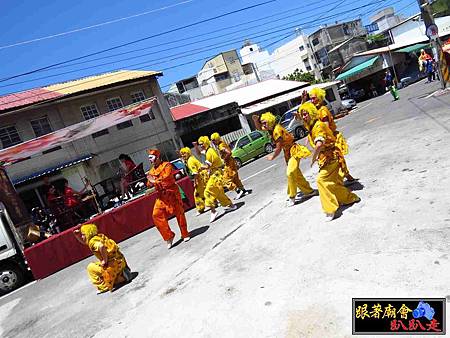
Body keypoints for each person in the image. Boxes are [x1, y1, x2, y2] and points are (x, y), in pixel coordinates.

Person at [299, 102, 360, 221]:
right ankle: (350, 198)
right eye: (303, 115)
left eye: (306, 114)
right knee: (332, 183)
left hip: (331, 158)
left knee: (321, 180)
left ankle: (330, 209)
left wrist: (314, 157)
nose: (304, 117)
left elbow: (319, 143)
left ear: (311, 113)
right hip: (325, 159)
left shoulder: (318, 126)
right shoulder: (311, 125)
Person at [252, 112, 316, 207]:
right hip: (287, 153)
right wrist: (255, 120)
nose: (263, 125)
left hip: (294, 151)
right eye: (263, 123)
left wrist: (272, 157)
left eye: (265, 123)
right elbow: (259, 128)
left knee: (290, 173)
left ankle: (292, 196)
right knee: (296, 174)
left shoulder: (277, 130)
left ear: (270, 122)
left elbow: (278, 148)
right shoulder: (271, 129)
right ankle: (309, 191)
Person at [306, 87, 357, 183]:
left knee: (337, 158)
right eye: (311, 98)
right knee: (331, 161)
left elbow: (326, 127)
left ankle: (344, 177)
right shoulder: (315, 110)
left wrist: (322, 140)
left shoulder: (322, 110)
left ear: (319, 98)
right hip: (323, 139)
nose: (312, 100)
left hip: (329, 138)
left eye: (314, 98)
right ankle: (343, 178)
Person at [147, 149, 190, 248]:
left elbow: (166, 178)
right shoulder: (151, 171)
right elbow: (149, 183)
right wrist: (150, 182)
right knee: (156, 214)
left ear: (157, 157)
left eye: (151, 158)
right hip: (161, 196)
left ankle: (185, 233)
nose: (150, 160)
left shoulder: (167, 165)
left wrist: (154, 181)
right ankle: (168, 236)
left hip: (172, 193)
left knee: (179, 213)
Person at [73, 223, 131, 294]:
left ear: (87, 234)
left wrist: (104, 260)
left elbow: (101, 246)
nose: (82, 236)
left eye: (83, 235)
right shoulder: (99, 237)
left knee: (90, 268)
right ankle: (121, 275)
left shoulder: (93, 242)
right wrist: (77, 236)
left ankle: (104, 286)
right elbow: (85, 242)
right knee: (99, 265)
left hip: (112, 265)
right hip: (120, 261)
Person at [197, 136, 237, 222]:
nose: (201, 146)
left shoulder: (209, 152)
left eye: (201, 144)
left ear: (205, 143)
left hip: (215, 175)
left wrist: (201, 168)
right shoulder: (209, 150)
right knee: (218, 193)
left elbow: (207, 166)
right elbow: (200, 153)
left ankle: (213, 211)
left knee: (207, 191)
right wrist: (196, 146)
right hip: (216, 174)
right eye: (200, 145)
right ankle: (231, 205)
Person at [211, 132, 249, 200]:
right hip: (231, 162)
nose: (212, 142)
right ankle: (244, 191)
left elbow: (229, 152)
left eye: (213, 140)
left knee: (226, 180)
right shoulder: (222, 142)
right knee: (235, 178)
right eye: (212, 140)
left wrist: (225, 159)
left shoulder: (220, 146)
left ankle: (238, 191)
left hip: (229, 163)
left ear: (216, 139)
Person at [179, 147, 207, 216]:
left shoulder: (190, 161)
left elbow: (195, 173)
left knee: (197, 194)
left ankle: (200, 208)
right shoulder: (191, 158)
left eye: (184, 153)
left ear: (188, 153)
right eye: (182, 154)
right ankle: (213, 202)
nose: (183, 155)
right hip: (203, 176)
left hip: (200, 177)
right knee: (205, 191)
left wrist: (195, 182)